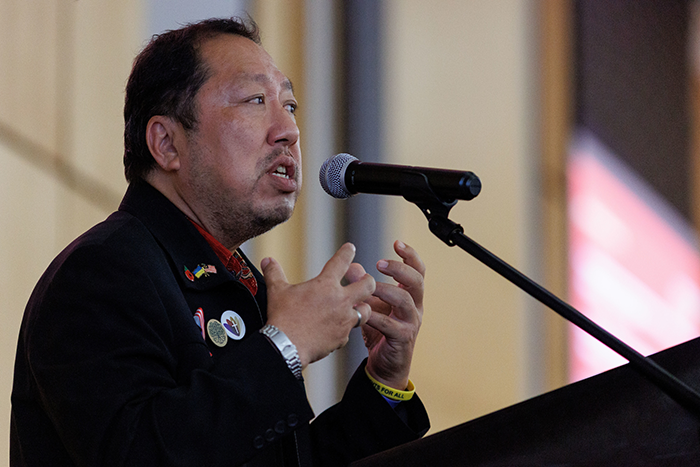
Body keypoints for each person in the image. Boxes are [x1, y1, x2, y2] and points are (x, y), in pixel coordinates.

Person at [10, 17, 429, 467]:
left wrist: (384, 381)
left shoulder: (241, 283)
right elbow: (139, 454)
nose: (289, 130)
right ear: (166, 144)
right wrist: (285, 345)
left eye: (289, 104)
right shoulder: (102, 272)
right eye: (255, 100)